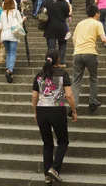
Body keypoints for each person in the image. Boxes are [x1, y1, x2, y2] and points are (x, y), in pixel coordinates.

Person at [32, 49, 78, 184]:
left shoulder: (39, 75)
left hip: (41, 110)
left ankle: (47, 175)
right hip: (57, 110)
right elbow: (69, 95)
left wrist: (35, 111)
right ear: (58, 60)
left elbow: (35, 96)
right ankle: (54, 168)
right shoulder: (63, 74)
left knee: (47, 143)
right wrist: (74, 111)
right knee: (63, 141)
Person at [71, 5, 106, 113]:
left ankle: (74, 106)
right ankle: (92, 101)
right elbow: (103, 38)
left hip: (77, 53)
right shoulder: (97, 23)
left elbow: (73, 38)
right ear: (97, 13)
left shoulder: (80, 24)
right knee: (93, 78)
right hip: (90, 53)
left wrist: (77, 48)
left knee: (75, 81)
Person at [0, 0, 26, 83]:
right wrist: (24, 19)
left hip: (4, 35)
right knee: (13, 53)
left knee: (8, 53)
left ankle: (8, 69)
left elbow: (1, 26)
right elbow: (19, 23)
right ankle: (9, 70)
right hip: (13, 35)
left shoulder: (3, 13)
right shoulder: (16, 12)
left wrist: (0, 37)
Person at [43, 0, 70, 65]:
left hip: (50, 26)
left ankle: (51, 62)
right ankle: (61, 61)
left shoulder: (47, 1)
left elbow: (43, 11)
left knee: (51, 48)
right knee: (62, 44)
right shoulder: (64, 3)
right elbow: (66, 14)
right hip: (62, 27)